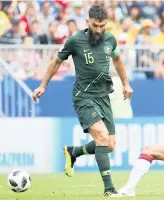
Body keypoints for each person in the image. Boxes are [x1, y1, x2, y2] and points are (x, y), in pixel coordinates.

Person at [32, 5, 133, 196]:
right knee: (102, 137)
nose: (99, 30)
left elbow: (118, 60)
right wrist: (43, 86)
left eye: (103, 25)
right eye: (95, 25)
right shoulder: (75, 40)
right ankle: (109, 189)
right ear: (88, 22)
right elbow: (56, 62)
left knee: (110, 145)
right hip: (84, 96)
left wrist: (126, 84)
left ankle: (74, 152)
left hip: (104, 96)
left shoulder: (110, 39)